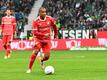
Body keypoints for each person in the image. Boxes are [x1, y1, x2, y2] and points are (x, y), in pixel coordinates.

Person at [26, 7, 57, 73]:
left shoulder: (50, 19)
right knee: (36, 52)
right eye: (43, 12)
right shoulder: (36, 21)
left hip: (47, 40)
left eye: (45, 12)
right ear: (39, 13)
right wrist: (44, 35)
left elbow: (54, 26)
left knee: (47, 57)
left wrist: (55, 34)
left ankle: (42, 60)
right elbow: (35, 33)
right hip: (38, 39)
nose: (44, 13)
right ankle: (29, 68)